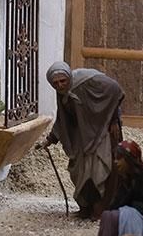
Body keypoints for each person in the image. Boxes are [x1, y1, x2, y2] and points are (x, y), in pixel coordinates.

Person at [42, 61, 125, 219]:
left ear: (68, 77)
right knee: (79, 171)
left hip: (103, 132)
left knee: (101, 170)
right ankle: (86, 208)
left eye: (63, 81)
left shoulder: (87, 80)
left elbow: (115, 90)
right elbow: (63, 119)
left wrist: (114, 119)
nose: (60, 85)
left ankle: (101, 209)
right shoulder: (63, 92)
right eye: (56, 83)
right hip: (83, 136)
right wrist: (51, 139)